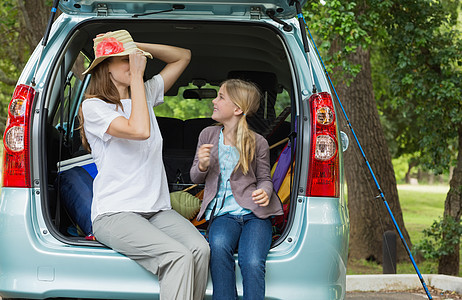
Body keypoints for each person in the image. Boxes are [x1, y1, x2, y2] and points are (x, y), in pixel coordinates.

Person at [79, 29, 210, 300]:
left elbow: (182, 57)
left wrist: (133, 45)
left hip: (156, 210)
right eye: (123, 59)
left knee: (200, 250)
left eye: (133, 58)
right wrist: (138, 76)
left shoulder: (144, 94)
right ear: (106, 68)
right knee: (177, 257)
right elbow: (139, 130)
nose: (133, 62)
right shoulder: (94, 108)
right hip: (115, 214)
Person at [190, 79, 283, 300]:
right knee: (219, 248)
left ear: (237, 109)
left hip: (255, 216)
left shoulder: (257, 142)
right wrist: (202, 165)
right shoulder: (207, 136)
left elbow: (264, 179)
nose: (214, 100)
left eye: (220, 97)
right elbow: (195, 176)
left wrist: (266, 192)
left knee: (251, 261)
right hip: (223, 216)